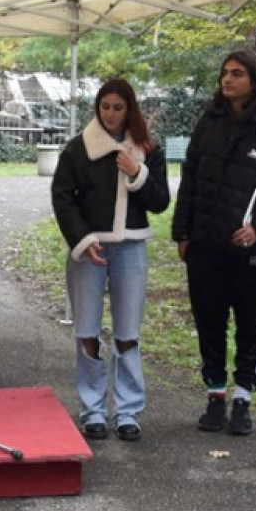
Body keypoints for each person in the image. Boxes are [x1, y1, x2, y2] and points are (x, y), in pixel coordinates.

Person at [170, 49, 256, 436]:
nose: (227, 80)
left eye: (237, 73)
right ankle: (215, 395)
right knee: (209, 322)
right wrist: (183, 233)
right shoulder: (208, 122)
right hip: (205, 245)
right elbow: (191, 180)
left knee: (249, 326)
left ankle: (243, 398)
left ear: (255, 79)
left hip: (251, 252)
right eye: (224, 73)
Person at [50, 79, 170, 442]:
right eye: (105, 107)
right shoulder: (77, 149)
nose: (111, 114)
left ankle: (129, 411)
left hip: (131, 248)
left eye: (119, 107)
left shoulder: (148, 149)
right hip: (90, 250)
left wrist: (137, 172)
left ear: (129, 109)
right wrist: (83, 239)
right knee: (87, 331)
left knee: (127, 334)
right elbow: (62, 197)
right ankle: (92, 410)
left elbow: (160, 201)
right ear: (97, 108)